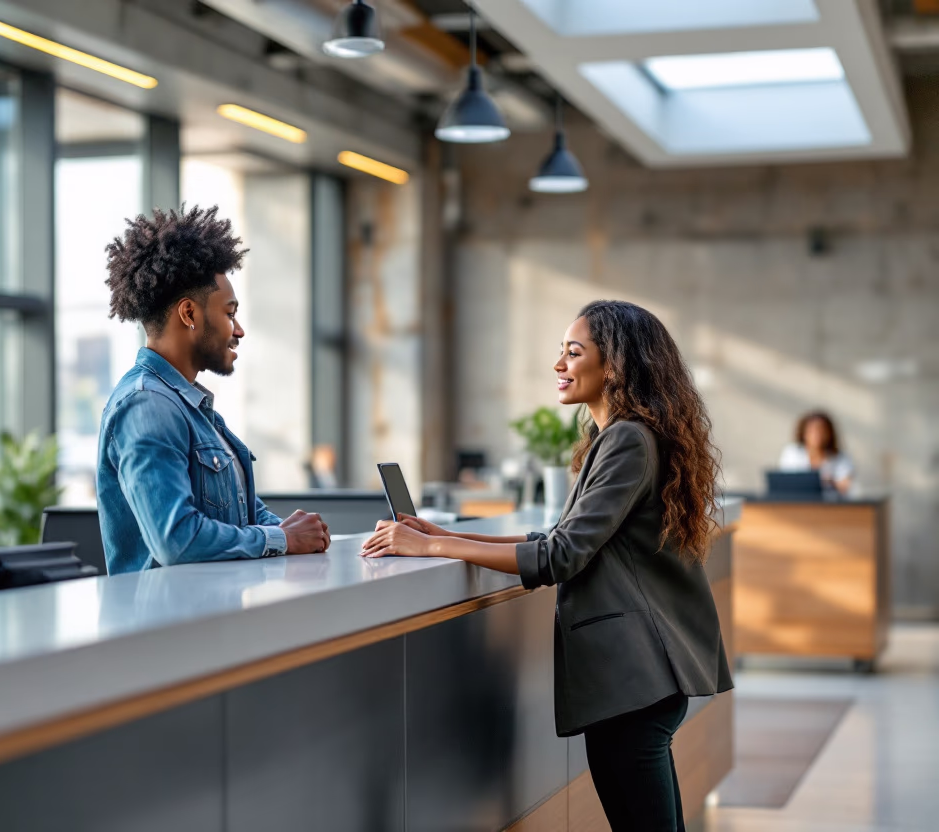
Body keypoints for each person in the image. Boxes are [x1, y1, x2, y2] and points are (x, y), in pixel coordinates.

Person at [360, 300, 732, 832]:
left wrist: (429, 550)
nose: (559, 364)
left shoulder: (627, 439)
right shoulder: (620, 437)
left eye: (574, 352)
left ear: (615, 365)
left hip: (634, 683)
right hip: (640, 684)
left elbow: (560, 556)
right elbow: (559, 538)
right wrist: (447, 536)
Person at [96, 205, 329, 574]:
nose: (239, 330)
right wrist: (283, 538)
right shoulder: (146, 405)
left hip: (214, 609)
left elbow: (243, 516)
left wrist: (299, 533)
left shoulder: (194, 410)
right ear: (189, 314)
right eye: (229, 313)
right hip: (167, 613)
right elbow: (176, 539)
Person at [779, 411, 855, 494]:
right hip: (798, 500)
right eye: (812, 431)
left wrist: (829, 482)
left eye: (822, 430)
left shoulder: (840, 457)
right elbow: (785, 483)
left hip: (830, 501)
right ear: (803, 433)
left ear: (830, 433)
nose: (817, 435)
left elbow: (845, 486)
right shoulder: (792, 453)